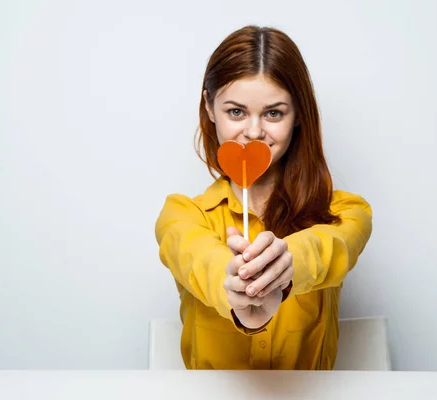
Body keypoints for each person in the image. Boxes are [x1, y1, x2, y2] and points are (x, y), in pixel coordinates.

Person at [155, 25, 372, 370]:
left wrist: (284, 268)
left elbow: (327, 248)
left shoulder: (346, 211)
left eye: (274, 113)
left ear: (299, 114)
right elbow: (198, 257)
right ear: (210, 108)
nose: (254, 132)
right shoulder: (181, 215)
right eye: (236, 112)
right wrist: (234, 289)